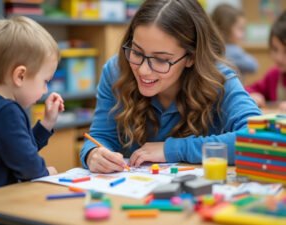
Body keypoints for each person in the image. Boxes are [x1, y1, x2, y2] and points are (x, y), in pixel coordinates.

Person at [80, 0, 261, 173]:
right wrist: (93, 154)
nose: (143, 70)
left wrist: (173, 149)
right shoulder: (116, 71)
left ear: (191, 57)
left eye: (161, 60)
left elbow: (257, 140)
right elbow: (100, 137)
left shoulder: (219, 80)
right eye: (136, 52)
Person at [0, 16, 64, 189]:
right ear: (20, 76)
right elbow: (29, 167)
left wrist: (46, 123)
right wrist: (47, 173)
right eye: (45, 81)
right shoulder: (7, 112)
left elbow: (17, 151)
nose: (45, 90)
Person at [246, 11, 286, 111]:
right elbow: (247, 89)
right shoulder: (273, 75)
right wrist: (253, 95)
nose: (279, 58)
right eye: (275, 49)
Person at [211, 4, 258, 77]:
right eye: (240, 29)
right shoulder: (233, 50)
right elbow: (253, 66)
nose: (243, 34)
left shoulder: (211, 49)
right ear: (225, 29)